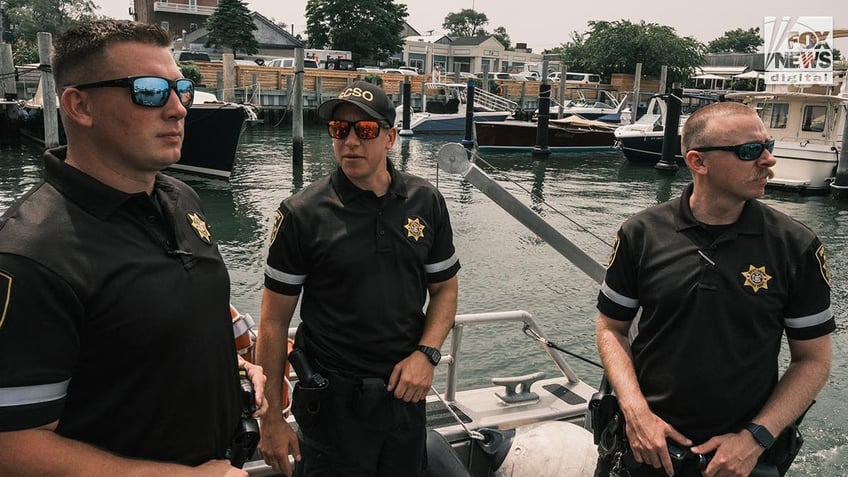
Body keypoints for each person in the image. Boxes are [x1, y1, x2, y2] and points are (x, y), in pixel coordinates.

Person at [0, 19, 267, 476]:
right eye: (148, 91)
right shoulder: (31, 255)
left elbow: (163, 319)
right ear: (79, 105)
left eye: (180, 89)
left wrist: (231, 366)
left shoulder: (181, 199)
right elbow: (12, 445)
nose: (178, 109)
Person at [595, 101, 833, 477]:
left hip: (740, 459)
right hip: (645, 448)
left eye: (767, 145)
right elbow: (612, 328)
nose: (769, 159)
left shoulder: (796, 247)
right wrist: (636, 413)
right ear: (698, 162)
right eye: (749, 151)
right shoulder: (640, 234)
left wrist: (756, 438)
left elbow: (813, 360)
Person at [255, 80, 460, 476]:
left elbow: (445, 289)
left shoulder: (426, 201)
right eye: (339, 129)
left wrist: (427, 353)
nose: (350, 141)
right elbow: (273, 322)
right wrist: (272, 419)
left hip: (405, 396)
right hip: (332, 407)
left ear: (390, 137)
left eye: (364, 130)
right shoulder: (302, 213)